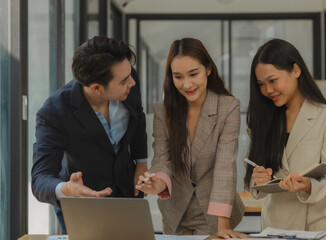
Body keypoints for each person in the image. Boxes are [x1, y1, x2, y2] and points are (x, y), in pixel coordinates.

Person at [31, 36, 148, 233]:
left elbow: (138, 117)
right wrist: (65, 189)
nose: (133, 83)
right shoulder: (54, 112)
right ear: (97, 88)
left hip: (128, 197)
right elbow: (40, 178)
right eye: (124, 81)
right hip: (84, 208)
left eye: (130, 75)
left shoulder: (127, 77)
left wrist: (141, 161)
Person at [136, 38, 246, 239]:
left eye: (194, 74)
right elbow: (162, 158)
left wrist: (223, 225)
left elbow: (225, 167)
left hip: (214, 213)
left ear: (208, 69)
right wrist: (158, 183)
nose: (187, 84)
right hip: (175, 213)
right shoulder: (163, 110)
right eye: (178, 77)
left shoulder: (228, 107)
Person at [244, 38, 326, 239]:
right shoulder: (262, 121)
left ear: (296, 70)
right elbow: (254, 180)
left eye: (273, 80)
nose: (268, 90)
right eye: (261, 84)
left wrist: (308, 185)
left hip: (318, 226)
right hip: (276, 227)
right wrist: (257, 178)